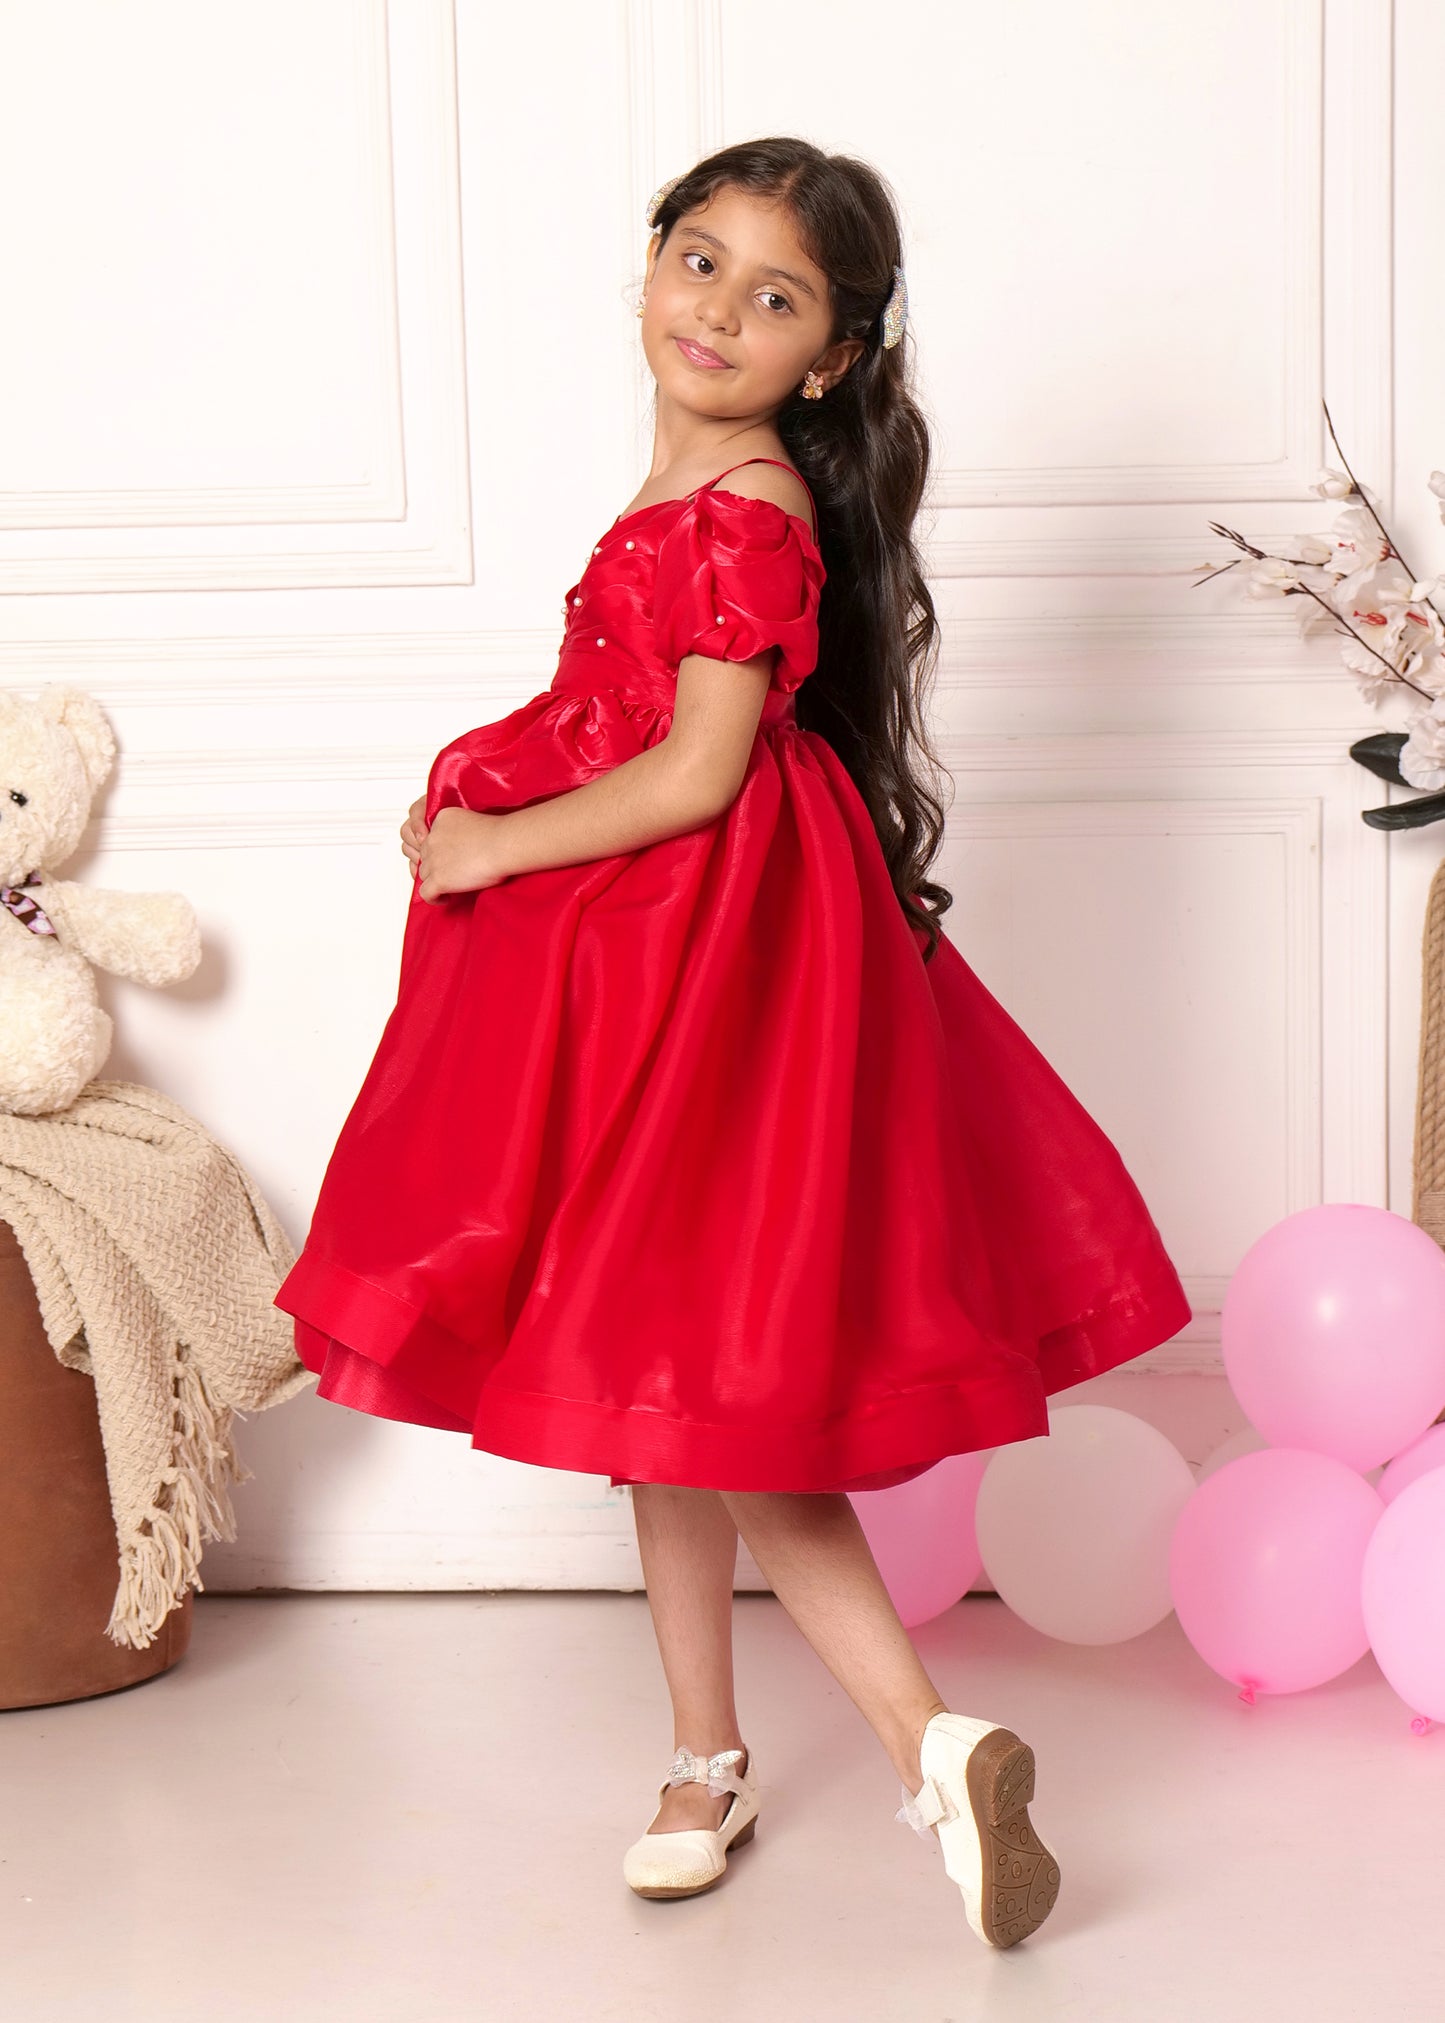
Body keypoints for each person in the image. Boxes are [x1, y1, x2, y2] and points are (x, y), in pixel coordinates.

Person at [273, 136, 1191, 1951]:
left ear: (834, 355)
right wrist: (497, 764)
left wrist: (491, 842)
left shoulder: (743, 510)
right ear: (647, 265)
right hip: (677, 963)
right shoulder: (702, 484)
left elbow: (694, 772)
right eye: (697, 262)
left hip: (708, 979)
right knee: (655, 1381)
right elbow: (632, 710)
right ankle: (706, 1757)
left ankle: (930, 1749)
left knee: (710, 1396)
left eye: (775, 298)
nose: (716, 311)